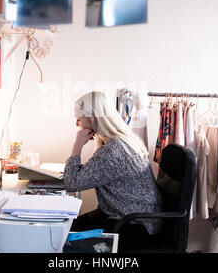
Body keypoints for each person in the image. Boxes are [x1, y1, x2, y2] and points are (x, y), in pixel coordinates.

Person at [64, 91, 163, 249]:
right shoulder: (123, 141)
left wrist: (77, 146)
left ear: (92, 116)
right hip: (134, 218)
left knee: (64, 237)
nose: (77, 124)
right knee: (67, 228)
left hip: (134, 226)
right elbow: (88, 174)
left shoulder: (114, 151)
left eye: (78, 119)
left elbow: (72, 183)